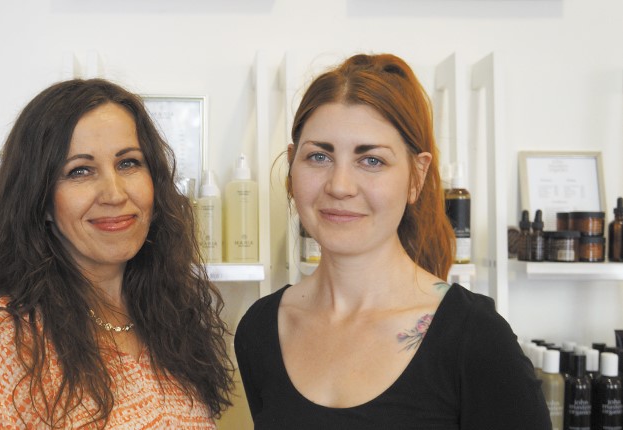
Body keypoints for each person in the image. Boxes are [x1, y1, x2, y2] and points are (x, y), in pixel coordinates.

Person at [234, 53, 551, 429]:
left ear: (417, 176)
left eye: (372, 161)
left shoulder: (477, 339)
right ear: (292, 165)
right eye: (319, 156)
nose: (339, 186)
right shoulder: (261, 329)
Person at [0, 78, 234, 429]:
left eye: (128, 163)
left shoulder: (170, 317)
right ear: (40, 200)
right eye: (80, 171)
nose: (114, 194)